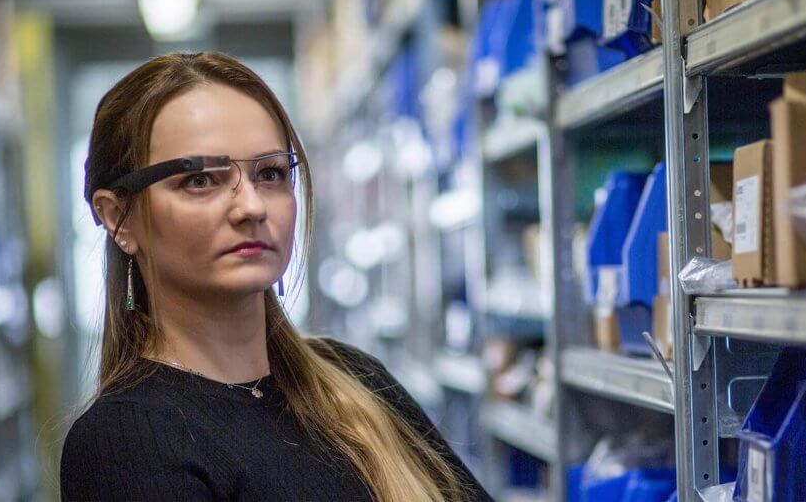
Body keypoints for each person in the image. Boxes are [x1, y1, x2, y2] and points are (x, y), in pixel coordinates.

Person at [60, 51, 494, 502]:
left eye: (269, 173)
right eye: (200, 181)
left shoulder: (355, 379)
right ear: (118, 218)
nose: (251, 207)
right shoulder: (126, 442)